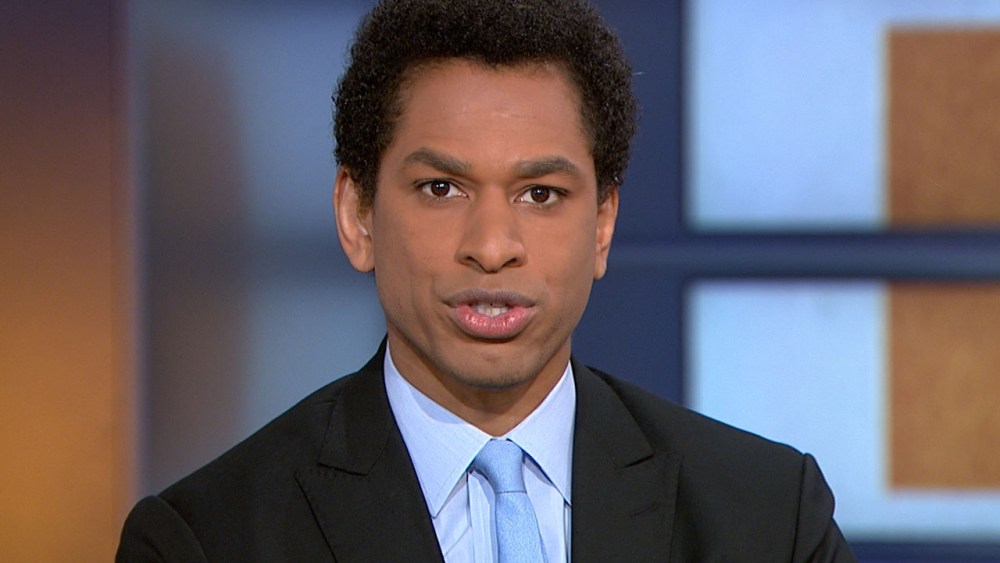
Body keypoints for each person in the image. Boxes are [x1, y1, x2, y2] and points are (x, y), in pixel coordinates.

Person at [117, 0, 856, 561]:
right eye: (441, 188)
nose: (494, 247)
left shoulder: (769, 519)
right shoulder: (205, 539)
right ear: (357, 214)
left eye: (541, 194)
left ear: (603, 224)